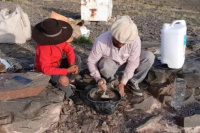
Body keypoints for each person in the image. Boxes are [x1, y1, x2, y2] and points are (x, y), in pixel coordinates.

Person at [87, 15, 155, 96]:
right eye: (118, 41)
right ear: (113, 34)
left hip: (126, 63)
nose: (121, 44)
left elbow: (133, 62)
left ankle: (133, 81)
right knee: (105, 64)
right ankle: (111, 80)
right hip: (110, 67)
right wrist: (98, 78)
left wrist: (123, 83)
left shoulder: (134, 40)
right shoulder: (101, 41)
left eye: (124, 43)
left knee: (149, 57)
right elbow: (91, 61)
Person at [32, 18, 81, 99]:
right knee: (63, 80)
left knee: (77, 58)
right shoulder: (43, 47)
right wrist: (67, 70)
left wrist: (72, 64)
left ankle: (72, 81)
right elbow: (46, 69)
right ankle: (71, 95)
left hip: (57, 63)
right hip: (47, 71)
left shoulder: (59, 39)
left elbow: (69, 50)